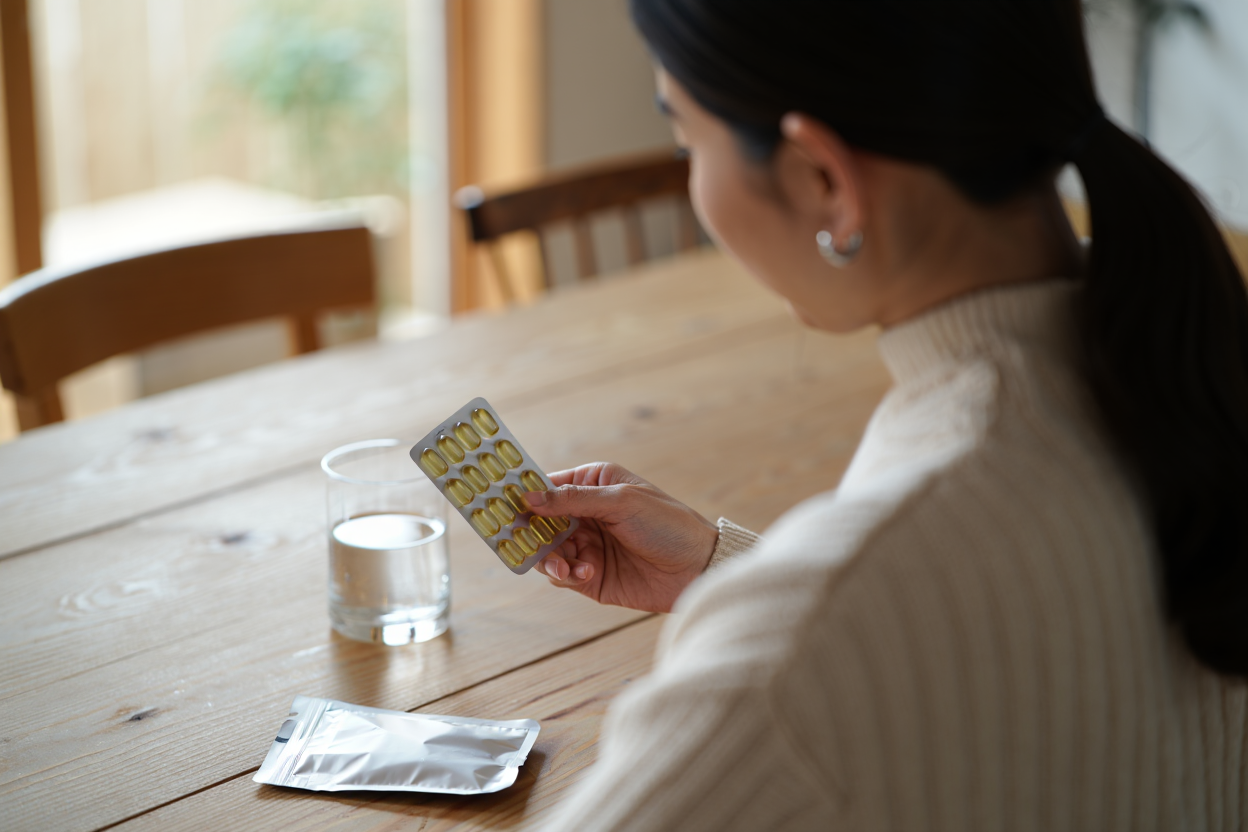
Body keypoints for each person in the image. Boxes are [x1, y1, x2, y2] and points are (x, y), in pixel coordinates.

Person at [528, 1, 1248, 829]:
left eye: (690, 144)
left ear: (823, 180)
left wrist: (780, 614)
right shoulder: (1186, 367)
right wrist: (728, 577)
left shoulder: (797, 660)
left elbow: (838, 651)